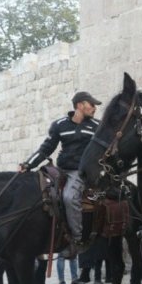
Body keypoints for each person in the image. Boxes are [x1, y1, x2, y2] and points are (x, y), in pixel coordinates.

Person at [20, 91, 101, 258]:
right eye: (91, 104)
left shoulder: (96, 126)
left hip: (80, 171)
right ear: (80, 105)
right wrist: (28, 165)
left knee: (69, 197)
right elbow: (46, 149)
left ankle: (77, 239)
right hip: (60, 170)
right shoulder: (59, 125)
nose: (94, 108)